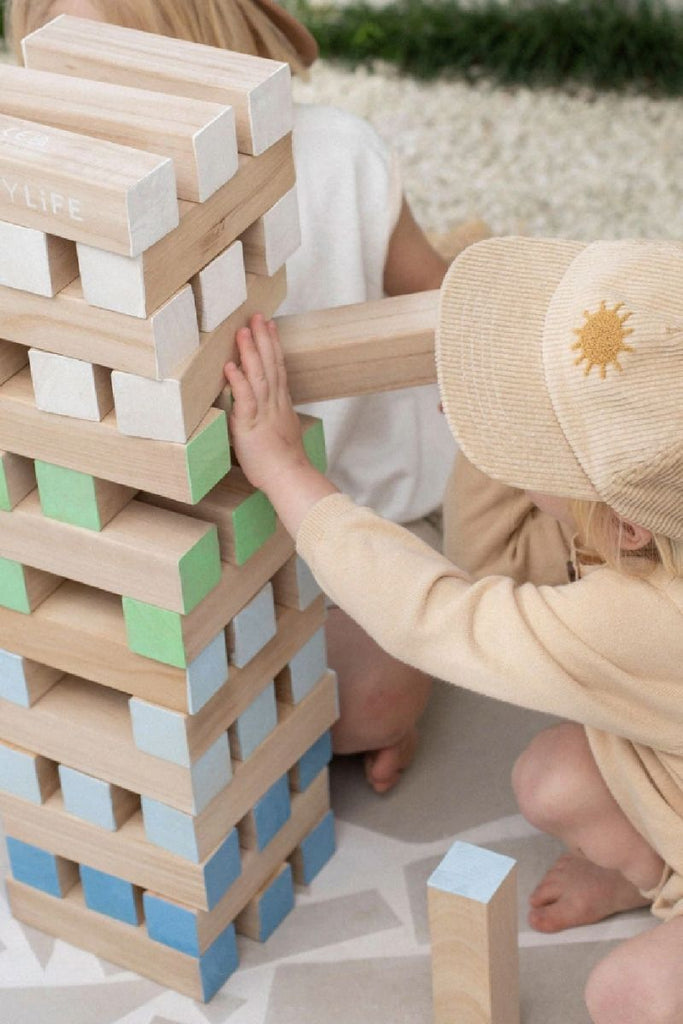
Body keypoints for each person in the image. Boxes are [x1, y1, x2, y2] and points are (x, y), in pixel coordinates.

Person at [7, 0, 491, 792]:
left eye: (120, 71)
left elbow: (439, 310)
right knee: (92, 660)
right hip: (169, 534)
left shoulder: (334, 154)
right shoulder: (47, 211)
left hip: (355, 514)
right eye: (62, 69)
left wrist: (476, 385)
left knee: (372, 686)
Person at [224, 236, 683, 1024]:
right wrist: (495, 434)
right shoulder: (649, 519)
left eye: (529, 440)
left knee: (626, 996)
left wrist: (284, 471)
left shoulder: (640, 618)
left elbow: (438, 614)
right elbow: (499, 560)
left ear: (624, 528)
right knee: (554, 779)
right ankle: (652, 871)